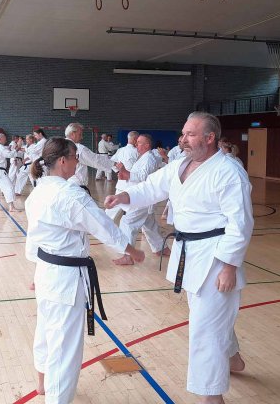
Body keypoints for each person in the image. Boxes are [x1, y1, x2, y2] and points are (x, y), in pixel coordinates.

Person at [105, 111, 253, 404]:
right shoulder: (180, 165)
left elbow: (241, 223)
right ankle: (232, 357)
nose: (183, 139)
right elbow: (151, 187)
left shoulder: (228, 172)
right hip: (189, 252)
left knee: (205, 327)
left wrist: (229, 266)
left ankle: (211, 397)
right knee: (208, 315)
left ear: (209, 138)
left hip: (214, 256)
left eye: (190, 134)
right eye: (183, 133)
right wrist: (125, 197)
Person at [25, 137, 145, 403]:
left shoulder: (38, 192)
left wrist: (35, 270)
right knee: (64, 346)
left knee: (45, 330)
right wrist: (132, 250)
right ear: (63, 161)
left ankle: (42, 383)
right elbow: (104, 226)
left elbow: (33, 238)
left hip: (45, 271)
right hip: (65, 278)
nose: (78, 162)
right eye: (75, 157)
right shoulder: (70, 194)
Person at [112, 134, 169, 265]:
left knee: (127, 223)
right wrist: (124, 175)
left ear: (147, 145)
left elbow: (144, 177)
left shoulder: (149, 158)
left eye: (139, 142)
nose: (136, 144)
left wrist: (126, 172)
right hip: (142, 197)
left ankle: (128, 256)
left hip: (142, 198)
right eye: (136, 142)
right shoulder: (143, 157)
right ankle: (161, 248)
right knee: (149, 224)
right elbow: (136, 175)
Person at [65, 123, 115, 192]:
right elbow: (95, 160)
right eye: (80, 134)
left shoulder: (60, 145)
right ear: (73, 134)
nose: (82, 137)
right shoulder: (78, 148)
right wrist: (114, 164)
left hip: (63, 184)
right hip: (76, 186)